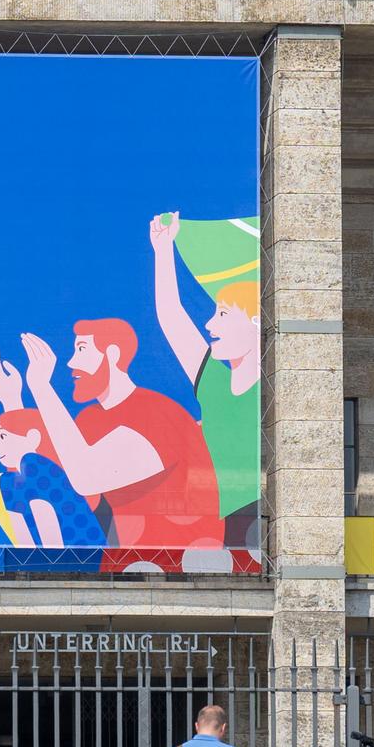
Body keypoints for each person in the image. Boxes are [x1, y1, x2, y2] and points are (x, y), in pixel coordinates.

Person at [0, 322, 222, 564]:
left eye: (82, 350)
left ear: (112, 354)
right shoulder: (90, 419)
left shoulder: (156, 413)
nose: (71, 363)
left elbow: (84, 477)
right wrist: (10, 399)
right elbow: (51, 472)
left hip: (175, 562)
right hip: (121, 559)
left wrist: (41, 386)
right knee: (14, 480)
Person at [144, 211, 265, 543]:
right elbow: (171, 315)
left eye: (223, 314)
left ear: (256, 322)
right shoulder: (212, 382)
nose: (210, 325)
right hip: (226, 521)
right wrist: (163, 250)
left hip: (262, 512)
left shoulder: (270, 389)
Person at [0, 409, 107, 554]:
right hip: (81, 553)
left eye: (3, 437)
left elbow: (44, 517)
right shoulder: (11, 480)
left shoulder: (34, 464)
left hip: (77, 553)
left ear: (33, 437)